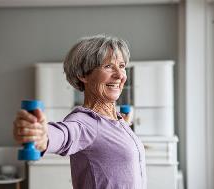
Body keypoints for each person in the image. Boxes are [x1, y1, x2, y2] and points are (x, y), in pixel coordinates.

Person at [13, 34, 147, 189]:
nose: (119, 75)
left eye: (122, 66)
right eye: (108, 66)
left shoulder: (114, 118)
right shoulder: (84, 123)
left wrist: (125, 121)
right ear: (83, 75)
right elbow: (64, 135)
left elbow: (107, 136)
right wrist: (42, 136)